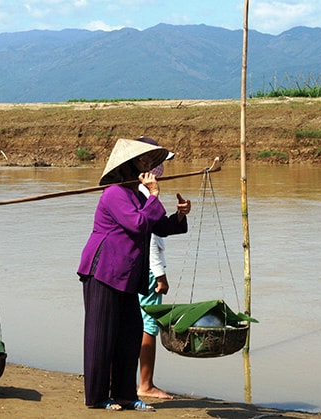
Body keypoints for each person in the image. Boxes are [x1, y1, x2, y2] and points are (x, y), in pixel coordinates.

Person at [77, 138, 191, 411]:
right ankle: (96, 397)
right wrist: (153, 195)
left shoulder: (135, 194)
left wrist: (179, 215)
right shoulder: (114, 193)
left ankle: (125, 394)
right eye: (143, 161)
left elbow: (159, 226)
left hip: (126, 275)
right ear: (129, 165)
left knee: (129, 334)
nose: (149, 166)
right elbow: (138, 223)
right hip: (103, 270)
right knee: (101, 335)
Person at [136, 137, 175, 400]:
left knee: (137, 323)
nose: (162, 168)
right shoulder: (145, 193)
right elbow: (148, 238)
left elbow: (160, 229)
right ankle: (145, 384)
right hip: (148, 269)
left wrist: (180, 216)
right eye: (158, 163)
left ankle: (137, 381)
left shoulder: (141, 191)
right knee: (148, 325)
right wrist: (160, 274)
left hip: (142, 267)